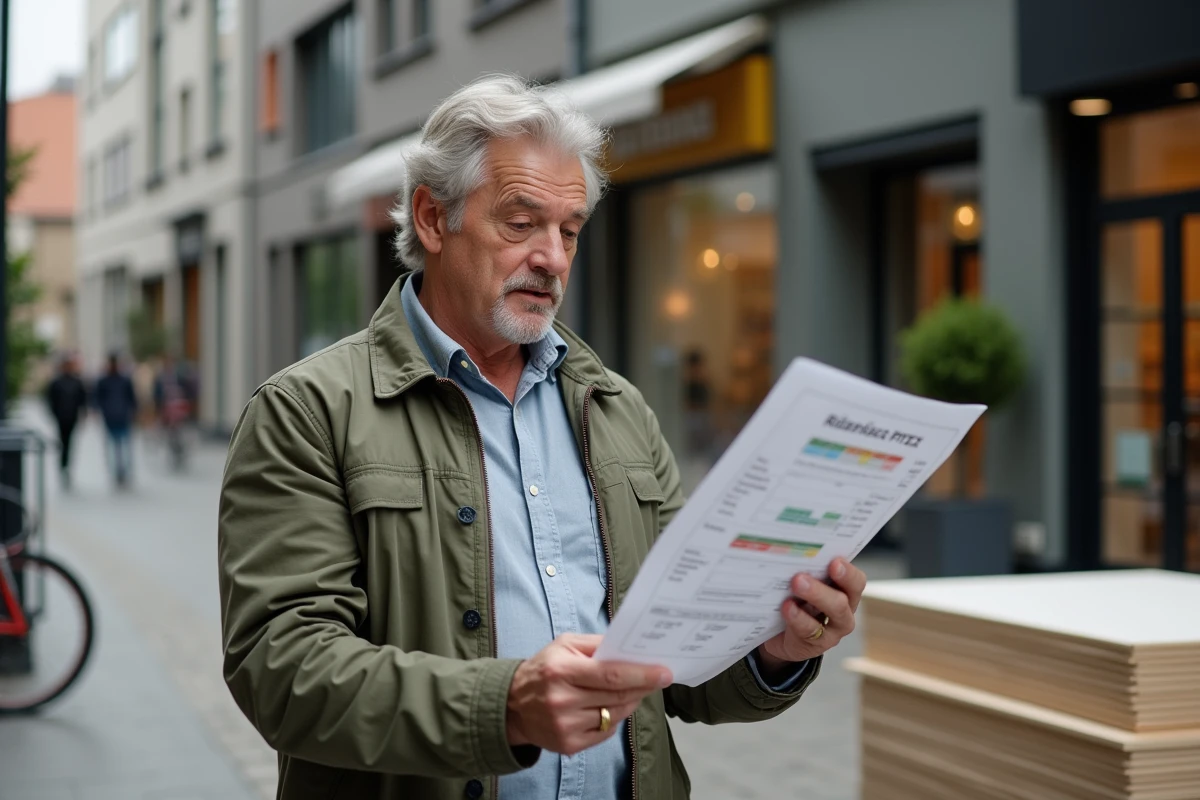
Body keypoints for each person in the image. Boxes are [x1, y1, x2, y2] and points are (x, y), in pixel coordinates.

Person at [218, 75, 867, 800]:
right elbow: (280, 669)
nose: (553, 259)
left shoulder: (618, 409)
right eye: (521, 223)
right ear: (434, 220)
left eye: (570, 229)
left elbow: (676, 680)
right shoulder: (306, 411)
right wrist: (507, 707)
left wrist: (772, 651)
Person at [44, 352, 89, 488]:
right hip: (60, 417)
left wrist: (83, 414)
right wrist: (53, 414)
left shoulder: (77, 381)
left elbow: (82, 399)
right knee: (63, 442)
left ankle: (66, 466)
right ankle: (62, 466)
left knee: (69, 443)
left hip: (72, 417)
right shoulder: (56, 382)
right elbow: (50, 400)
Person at [93, 353, 138, 487]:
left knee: (124, 446)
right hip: (110, 418)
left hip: (123, 417)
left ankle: (123, 471)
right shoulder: (103, 381)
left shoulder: (125, 380)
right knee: (113, 446)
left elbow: (132, 398)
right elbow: (97, 398)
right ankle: (116, 472)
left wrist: (134, 412)